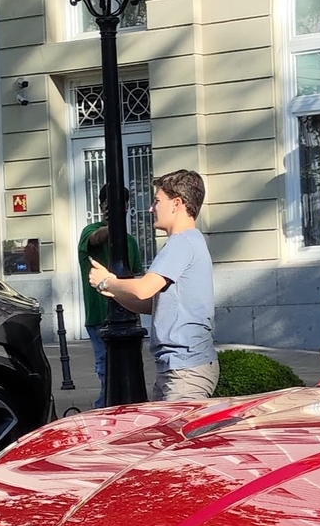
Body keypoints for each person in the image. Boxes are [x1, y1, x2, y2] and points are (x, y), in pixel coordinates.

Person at [90, 168, 218, 402]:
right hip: (178, 368)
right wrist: (110, 290)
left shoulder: (181, 243)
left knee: (176, 438)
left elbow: (143, 289)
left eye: (157, 201)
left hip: (185, 372)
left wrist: (107, 281)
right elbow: (151, 304)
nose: (151, 208)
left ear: (176, 203)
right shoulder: (189, 241)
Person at [74, 214, 115, 386]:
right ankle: (105, 403)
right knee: (105, 365)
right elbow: (96, 238)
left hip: (126, 315)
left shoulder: (129, 241)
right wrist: (117, 223)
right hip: (98, 316)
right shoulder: (89, 231)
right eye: (106, 205)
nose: (109, 209)